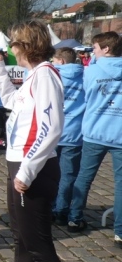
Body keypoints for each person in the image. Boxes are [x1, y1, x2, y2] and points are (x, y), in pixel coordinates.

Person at [0, 20, 68, 262]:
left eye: (13, 43)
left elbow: (52, 126)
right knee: (23, 241)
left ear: (25, 45)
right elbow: (11, 101)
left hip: (33, 167)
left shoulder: (45, 75)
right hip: (20, 162)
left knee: (39, 247)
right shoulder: (34, 75)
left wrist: (27, 171)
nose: (11, 48)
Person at [67, 32, 122, 246]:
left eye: (95, 48)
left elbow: (87, 95)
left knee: (84, 177)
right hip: (119, 133)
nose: (93, 52)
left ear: (106, 49)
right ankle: (120, 231)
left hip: (95, 130)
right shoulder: (92, 68)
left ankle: (74, 218)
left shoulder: (91, 71)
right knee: (120, 184)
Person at [50, 47, 85, 226]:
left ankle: (49, 207)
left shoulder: (52, 75)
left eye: (54, 60)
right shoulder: (84, 75)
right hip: (74, 132)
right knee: (68, 175)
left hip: (53, 130)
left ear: (61, 61)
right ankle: (62, 210)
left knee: (49, 173)